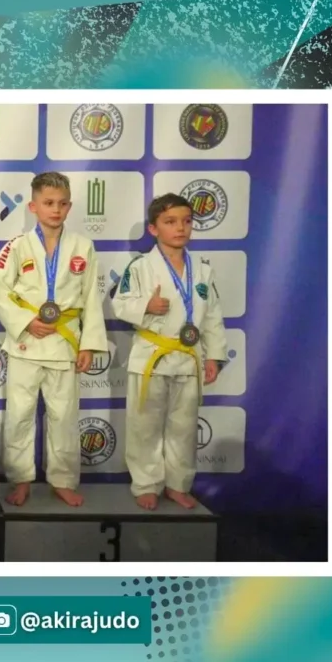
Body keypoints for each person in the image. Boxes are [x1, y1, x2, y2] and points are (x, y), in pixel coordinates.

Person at [0, 171, 108, 508]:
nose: (55, 209)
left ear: (69, 206)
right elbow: (0, 292)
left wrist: (88, 344)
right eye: (48, 203)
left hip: (65, 342)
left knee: (65, 417)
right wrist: (26, 321)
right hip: (26, 344)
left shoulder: (83, 247)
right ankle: (20, 479)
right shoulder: (16, 246)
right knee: (20, 415)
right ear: (33, 206)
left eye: (62, 203)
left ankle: (63, 480)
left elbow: (91, 298)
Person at [111, 193, 228, 510]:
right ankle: (146, 484)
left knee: (184, 428)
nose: (180, 228)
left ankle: (178, 484)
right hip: (152, 355)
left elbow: (213, 316)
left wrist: (214, 356)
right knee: (144, 426)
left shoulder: (202, 270)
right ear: (153, 228)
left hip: (188, 358)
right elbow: (119, 304)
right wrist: (145, 305)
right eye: (170, 222)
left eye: (187, 221)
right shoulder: (140, 267)